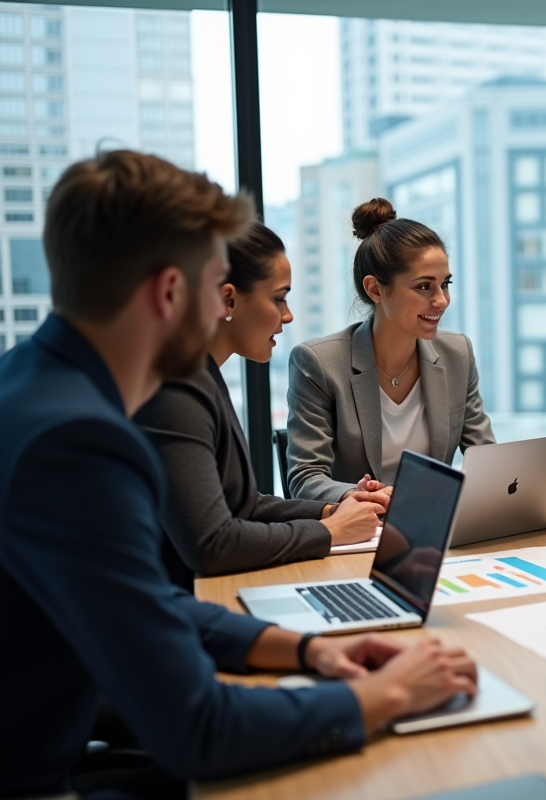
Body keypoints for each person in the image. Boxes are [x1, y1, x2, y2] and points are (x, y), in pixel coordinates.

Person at [0, 151, 477, 799]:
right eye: (215, 284)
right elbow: (201, 728)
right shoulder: (78, 442)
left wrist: (307, 652)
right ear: (171, 293)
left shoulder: (31, 384)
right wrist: (385, 694)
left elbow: (148, 600)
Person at [135, 224, 384, 589]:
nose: (288, 315)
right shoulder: (175, 390)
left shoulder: (202, 375)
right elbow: (211, 545)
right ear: (228, 300)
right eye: (279, 298)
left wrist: (335, 508)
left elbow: (245, 506)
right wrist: (328, 531)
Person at [287, 198, 495, 504]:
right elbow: (305, 477)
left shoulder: (457, 354)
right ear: (375, 289)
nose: (442, 301)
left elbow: (486, 460)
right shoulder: (318, 363)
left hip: (434, 528)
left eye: (445, 284)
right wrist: (356, 494)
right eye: (424, 287)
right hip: (361, 532)